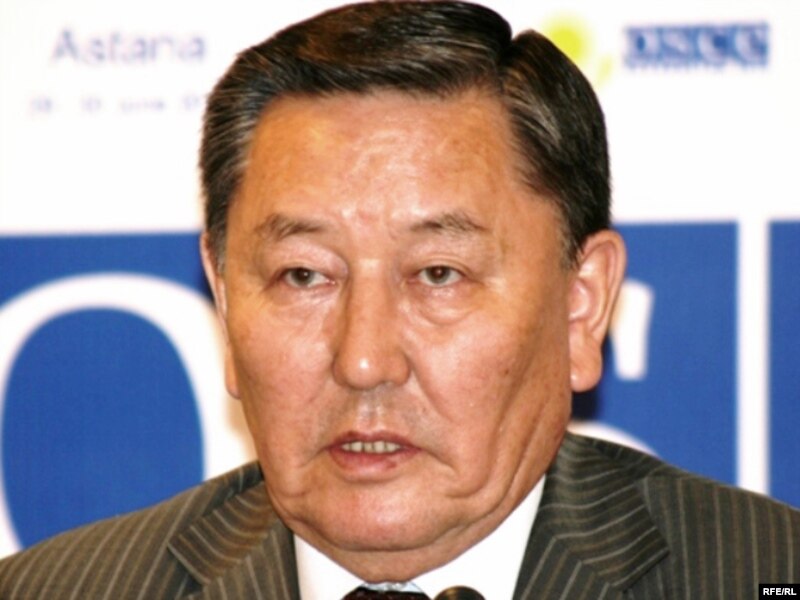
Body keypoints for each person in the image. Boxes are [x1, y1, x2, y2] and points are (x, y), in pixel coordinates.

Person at [0, 2, 797, 598]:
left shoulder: (761, 571)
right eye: (304, 276)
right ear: (225, 299)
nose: (364, 360)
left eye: (438, 274)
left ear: (580, 306)